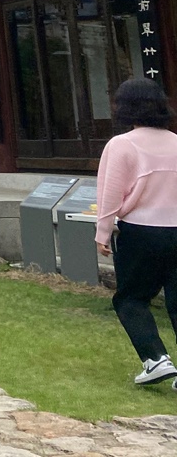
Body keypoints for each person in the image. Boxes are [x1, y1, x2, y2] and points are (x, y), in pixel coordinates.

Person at [95, 77, 177, 388]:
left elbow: (110, 194)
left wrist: (102, 232)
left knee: (130, 298)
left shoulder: (122, 144)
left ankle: (155, 358)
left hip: (141, 231)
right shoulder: (175, 141)